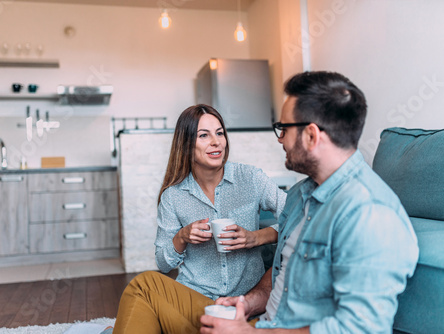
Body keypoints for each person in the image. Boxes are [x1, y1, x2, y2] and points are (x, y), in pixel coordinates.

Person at [200, 71, 419, 333]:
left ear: (312, 136)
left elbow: (360, 328)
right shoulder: (297, 196)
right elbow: (285, 270)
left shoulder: (370, 214)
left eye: (284, 129)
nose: (280, 139)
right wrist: (248, 304)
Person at [112, 104, 286, 333]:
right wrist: (181, 237)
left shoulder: (250, 178)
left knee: (141, 307)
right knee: (144, 285)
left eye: (220, 133)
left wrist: (257, 237)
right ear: (186, 144)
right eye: (204, 135)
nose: (216, 141)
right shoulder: (173, 197)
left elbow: (298, 217)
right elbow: (163, 264)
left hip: (244, 306)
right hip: (195, 300)